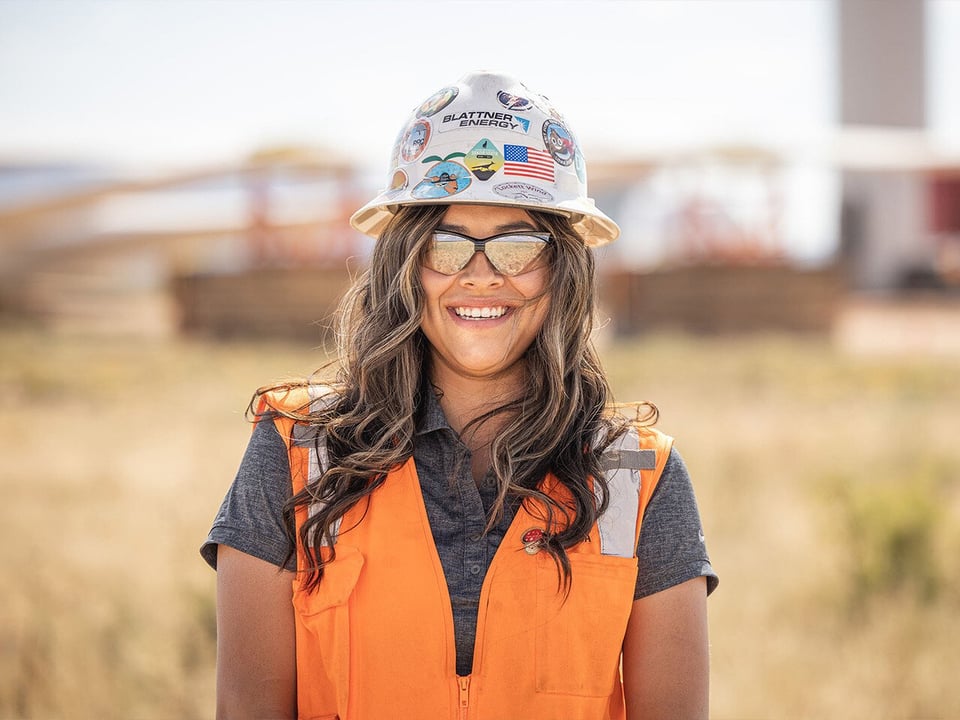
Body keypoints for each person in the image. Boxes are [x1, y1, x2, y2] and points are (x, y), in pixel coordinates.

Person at [201, 70, 718, 720]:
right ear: (405, 266)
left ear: (563, 268)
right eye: (446, 245)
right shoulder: (294, 453)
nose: (479, 276)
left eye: (517, 245)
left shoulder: (643, 481)